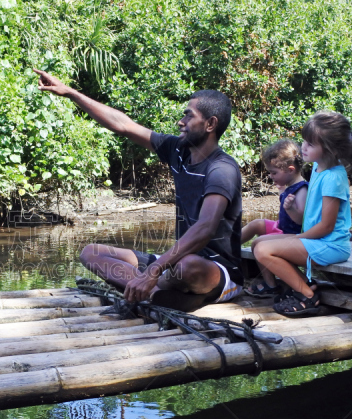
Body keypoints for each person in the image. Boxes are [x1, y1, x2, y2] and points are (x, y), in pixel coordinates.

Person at [33, 69, 244, 310]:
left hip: (218, 272)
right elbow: (124, 125)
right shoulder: (177, 151)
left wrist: (153, 269)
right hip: (173, 266)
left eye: (188, 116)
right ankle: (156, 294)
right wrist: (71, 93)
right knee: (91, 252)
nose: (181, 122)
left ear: (210, 124)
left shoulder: (222, 169)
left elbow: (205, 228)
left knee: (187, 267)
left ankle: (157, 287)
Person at [252, 111, 352, 317]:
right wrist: (291, 211)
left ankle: (307, 296)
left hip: (330, 245)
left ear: (329, 149)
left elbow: (326, 226)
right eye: (304, 141)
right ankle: (301, 285)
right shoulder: (316, 168)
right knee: (257, 243)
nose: (302, 147)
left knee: (263, 251)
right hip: (316, 240)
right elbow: (308, 218)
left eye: (310, 144)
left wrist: (297, 238)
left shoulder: (334, 177)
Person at [243, 139, 308, 296]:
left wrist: (291, 208)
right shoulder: (290, 186)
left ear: (290, 170)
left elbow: (300, 220)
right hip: (283, 227)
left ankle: (277, 285)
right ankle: (227, 246)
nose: (271, 176)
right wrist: (281, 190)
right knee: (257, 224)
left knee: (257, 243)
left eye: (274, 173)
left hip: (295, 234)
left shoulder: (302, 190)